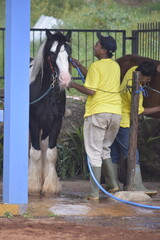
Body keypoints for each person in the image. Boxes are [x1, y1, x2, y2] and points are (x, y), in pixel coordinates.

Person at [68, 32, 122, 200]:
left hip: (98, 113)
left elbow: (91, 90)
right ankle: (113, 186)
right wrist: (78, 65)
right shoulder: (115, 66)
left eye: (97, 44)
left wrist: (73, 84)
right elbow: (95, 79)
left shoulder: (96, 67)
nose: (94, 46)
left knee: (94, 152)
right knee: (105, 149)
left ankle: (93, 194)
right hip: (115, 113)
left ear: (104, 50)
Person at [107, 61, 160, 196]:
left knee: (113, 152)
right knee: (132, 152)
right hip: (124, 121)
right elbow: (139, 111)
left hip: (115, 117)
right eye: (147, 79)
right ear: (141, 75)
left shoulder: (133, 69)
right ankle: (136, 185)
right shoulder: (134, 88)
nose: (147, 82)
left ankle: (112, 185)